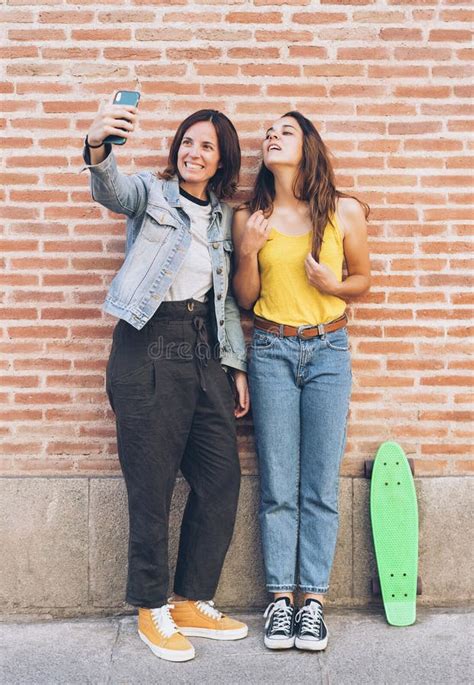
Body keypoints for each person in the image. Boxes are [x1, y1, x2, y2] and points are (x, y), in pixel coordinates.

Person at [82, 99, 250, 662]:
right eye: (186, 141)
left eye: (206, 145)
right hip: (147, 344)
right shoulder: (151, 196)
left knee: (222, 477)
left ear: (222, 159)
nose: (192, 152)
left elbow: (224, 303)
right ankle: (149, 607)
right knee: (150, 486)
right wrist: (98, 145)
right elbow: (111, 190)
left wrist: (235, 364)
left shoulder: (224, 218)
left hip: (203, 348)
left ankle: (189, 599)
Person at [232, 111, 371, 651]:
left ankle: (312, 603)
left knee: (318, 483)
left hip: (329, 349)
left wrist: (334, 283)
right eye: (268, 132)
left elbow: (362, 279)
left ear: (308, 144)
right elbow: (244, 299)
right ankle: (279, 604)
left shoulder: (343, 211)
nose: (272, 136)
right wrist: (247, 252)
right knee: (277, 485)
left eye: (285, 130)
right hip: (270, 349)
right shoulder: (253, 217)